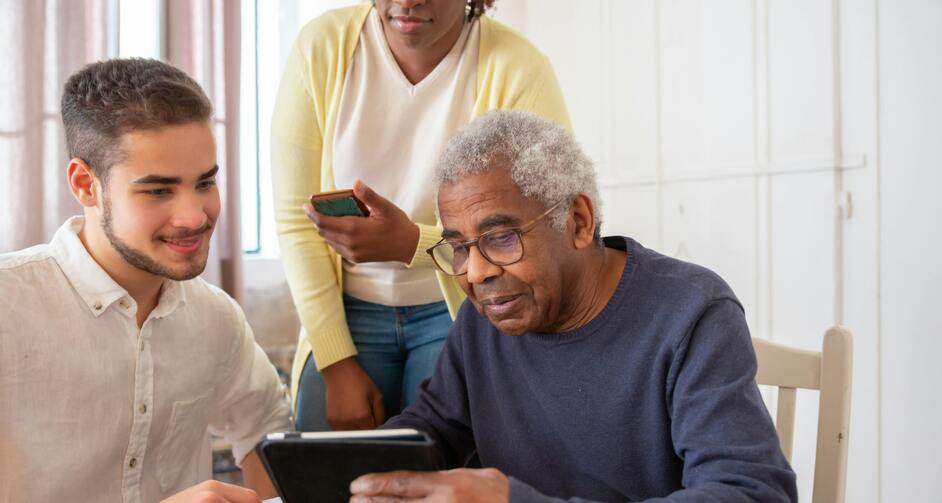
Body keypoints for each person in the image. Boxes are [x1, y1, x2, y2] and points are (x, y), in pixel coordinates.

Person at [348, 110, 799, 502]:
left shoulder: (691, 313)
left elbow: (751, 491)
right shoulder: (485, 318)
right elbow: (431, 432)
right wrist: (336, 469)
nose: (476, 272)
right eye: (460, 247)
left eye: (501, 238)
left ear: (578, 221)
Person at [0, 59, 292, 503]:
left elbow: (267, 432)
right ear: (85, 185)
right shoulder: (9, 308)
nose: (194, 216)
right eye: (158, 190)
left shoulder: (215, 318)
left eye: (205, 182)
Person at [270, 0, 571, 432]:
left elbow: (543, 226)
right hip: (344, 313)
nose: (408, 2)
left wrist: (413, 243)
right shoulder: (322, 47)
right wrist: (335, 363)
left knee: (441, 478)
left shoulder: (519, 69)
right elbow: (296, 218)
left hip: (459, 309)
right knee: (323, 474)